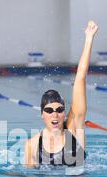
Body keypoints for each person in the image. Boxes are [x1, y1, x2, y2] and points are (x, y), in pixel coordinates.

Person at [25, 21, 98, 168]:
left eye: (59, 110)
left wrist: (89, 38)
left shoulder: (74, 129)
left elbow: (80, 77)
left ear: (64, 112)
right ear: (42, 114)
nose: (55, 114)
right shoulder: (32, 145)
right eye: (49, 110)